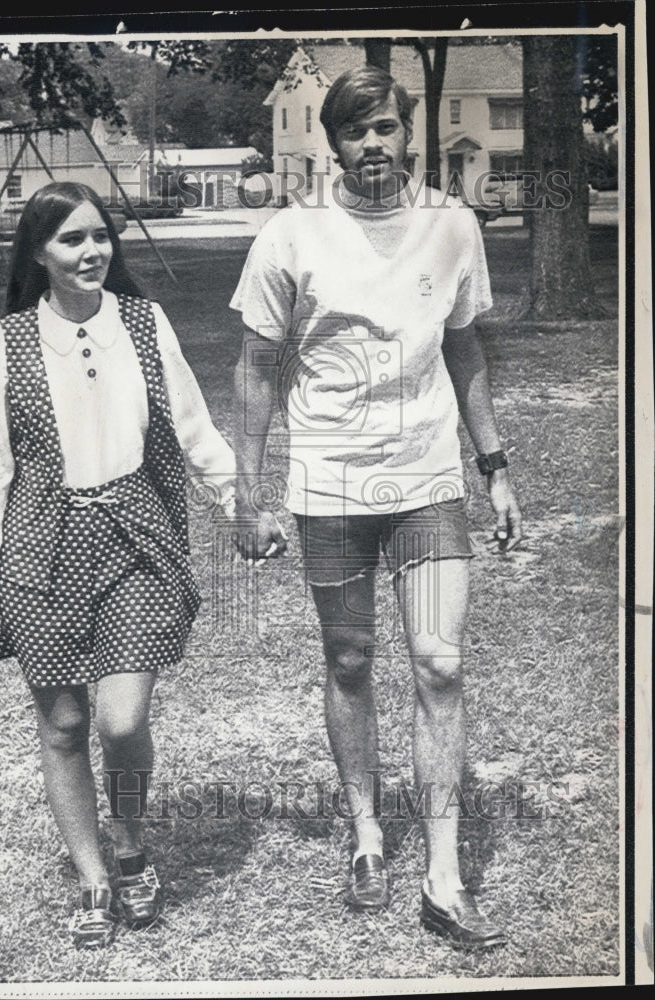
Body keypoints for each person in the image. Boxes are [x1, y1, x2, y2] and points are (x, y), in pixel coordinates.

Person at [230, 66, 522, 949]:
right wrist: (249, 491)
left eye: (387, 128)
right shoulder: (290, 235)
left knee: (439, 664)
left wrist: (494, 464)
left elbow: (466, 346)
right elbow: (252, 367)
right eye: (356, 132)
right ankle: (364, 832)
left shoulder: (451, 226)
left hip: (427, 482)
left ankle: (441, 873)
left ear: (408, 134)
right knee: (351, 659)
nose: (373, 147)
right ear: (331, 142)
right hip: (329, 489)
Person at [0, 181, 234, 948]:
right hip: (38, 548)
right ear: (39, 255)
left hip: (135, 537)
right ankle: (90, 877)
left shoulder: (145, 323)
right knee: (64, 724)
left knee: (122, 719)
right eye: (71, 240)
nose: (90, 252)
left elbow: (194, 425)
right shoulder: (3, 342)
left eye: (100, 237)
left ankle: (131, 844)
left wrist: (236, 500)